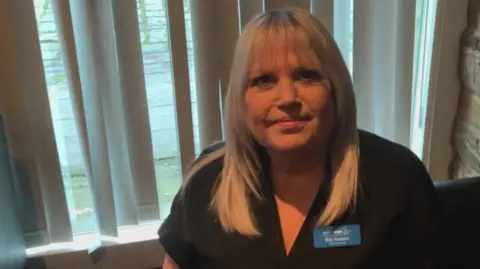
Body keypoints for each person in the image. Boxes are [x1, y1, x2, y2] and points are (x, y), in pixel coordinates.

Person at [158, 8, 442, 269]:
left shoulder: (397, 177)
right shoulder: (205, 179)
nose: (287, 98)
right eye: (263, 80)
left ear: (336, 88)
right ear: (240, 99)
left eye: (307, 76)